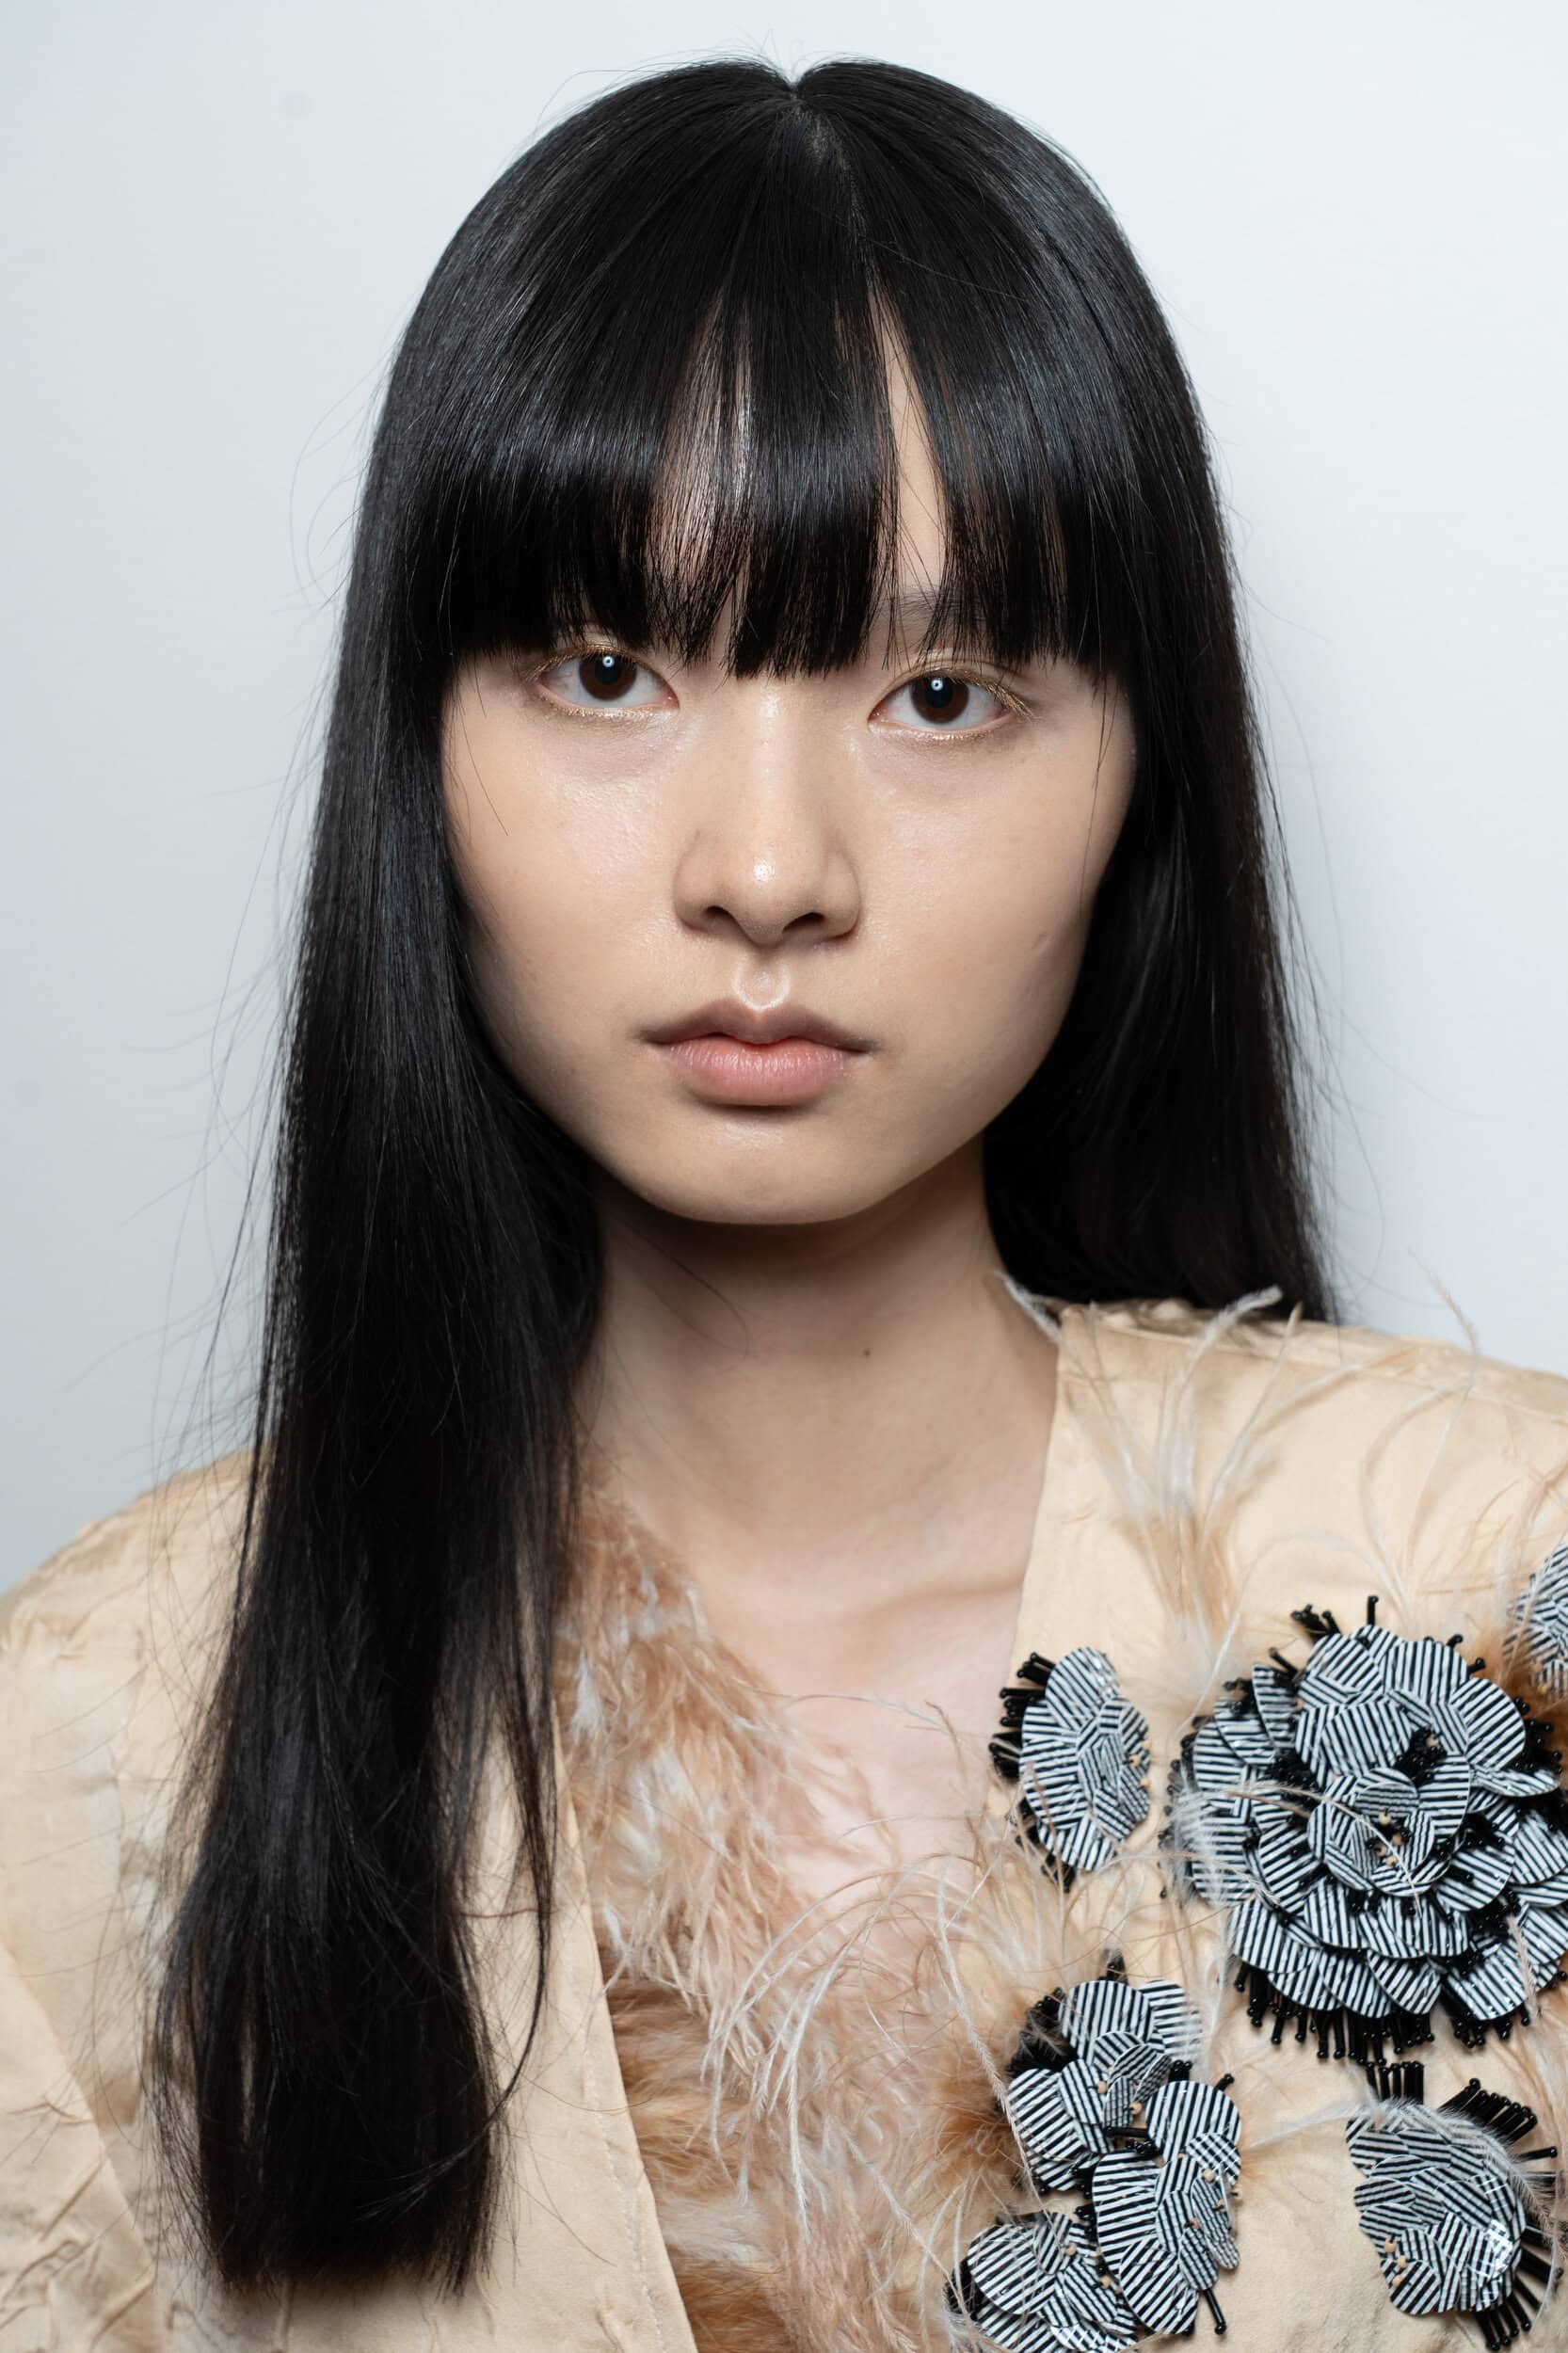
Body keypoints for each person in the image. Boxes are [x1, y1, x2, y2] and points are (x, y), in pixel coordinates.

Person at [2, 53, 1564, 2353]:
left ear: (1140, 770)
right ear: (417, 745)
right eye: (604, 669)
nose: (763, 869)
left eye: (938, 692)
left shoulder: (1496, 1577)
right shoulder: (100, 1740)